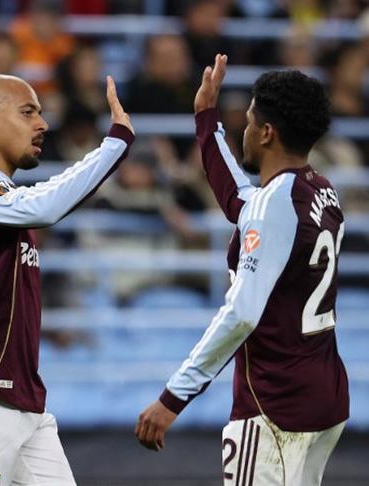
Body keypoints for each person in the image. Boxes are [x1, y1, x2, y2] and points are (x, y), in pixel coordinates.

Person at [136, 55, 349, 486]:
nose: (245, 130)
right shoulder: (320, 188)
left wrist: (173, 398)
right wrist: (206, 118)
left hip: (275, 406)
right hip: (324, 395)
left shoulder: (274, 204)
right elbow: (240, 199)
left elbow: (241, 313)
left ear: (267, 132)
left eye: (249, 121)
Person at [0, 74, 134, 484]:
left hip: (22, 402)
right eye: (28, 111)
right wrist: (115, 144)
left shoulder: (3, 197)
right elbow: (45, 205)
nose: (43, 124)